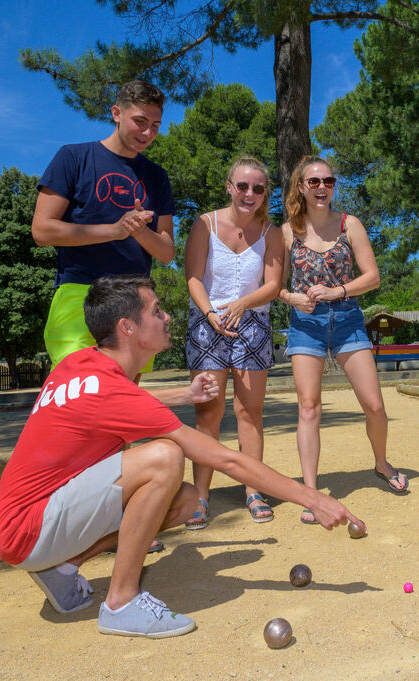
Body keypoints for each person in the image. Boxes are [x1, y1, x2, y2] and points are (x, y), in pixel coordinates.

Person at [0, 275, 361, 639]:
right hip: (28, 530)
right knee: (164, 457)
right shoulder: (111, 388)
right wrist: (313, 497)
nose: (168, 318)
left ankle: (64, 568)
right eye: (157, 311)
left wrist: (184, 395)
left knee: (185, 501)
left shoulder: (80, 365)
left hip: (22, 524)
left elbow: (113, 405)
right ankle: (120, 603)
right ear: (127, 327)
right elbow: (226, 460)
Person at [279, 156, 409, 524]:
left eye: (329, 181)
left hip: (348, 319)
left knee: (375, 406)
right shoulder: (287, 231)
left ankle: (381, 464)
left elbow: (372, 277)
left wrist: (337, 292)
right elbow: (275, 287)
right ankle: (310, 491)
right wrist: (293, 298)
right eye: (314, 182)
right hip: (305, 324)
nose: (322, 188)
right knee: (309, 408)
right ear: (301, 187)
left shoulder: (350, 225)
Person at [32, 79, 174, 378]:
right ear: (116, 113)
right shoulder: (73, 157)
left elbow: (166, 252)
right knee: (80, 397)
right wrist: (114, 230)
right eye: (140, 121)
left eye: (156, 125)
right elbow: (42, 231)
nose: (147, 133)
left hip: (136, 299)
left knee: (122, 407)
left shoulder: (157, 177)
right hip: (80, 294)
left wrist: (138, 232)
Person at [182, 157, 283, 528]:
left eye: (258, 188)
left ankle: (253, 490)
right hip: (208, 324)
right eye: (242, 186)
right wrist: (211, 313)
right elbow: (193, 278)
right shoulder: (204, 224)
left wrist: (243, 303)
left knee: (250, 413)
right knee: (208, 415)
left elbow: (272, 285)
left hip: (254, 324)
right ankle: (201, 497)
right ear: (229, 186)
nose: (250, 194)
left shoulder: (272, 232)